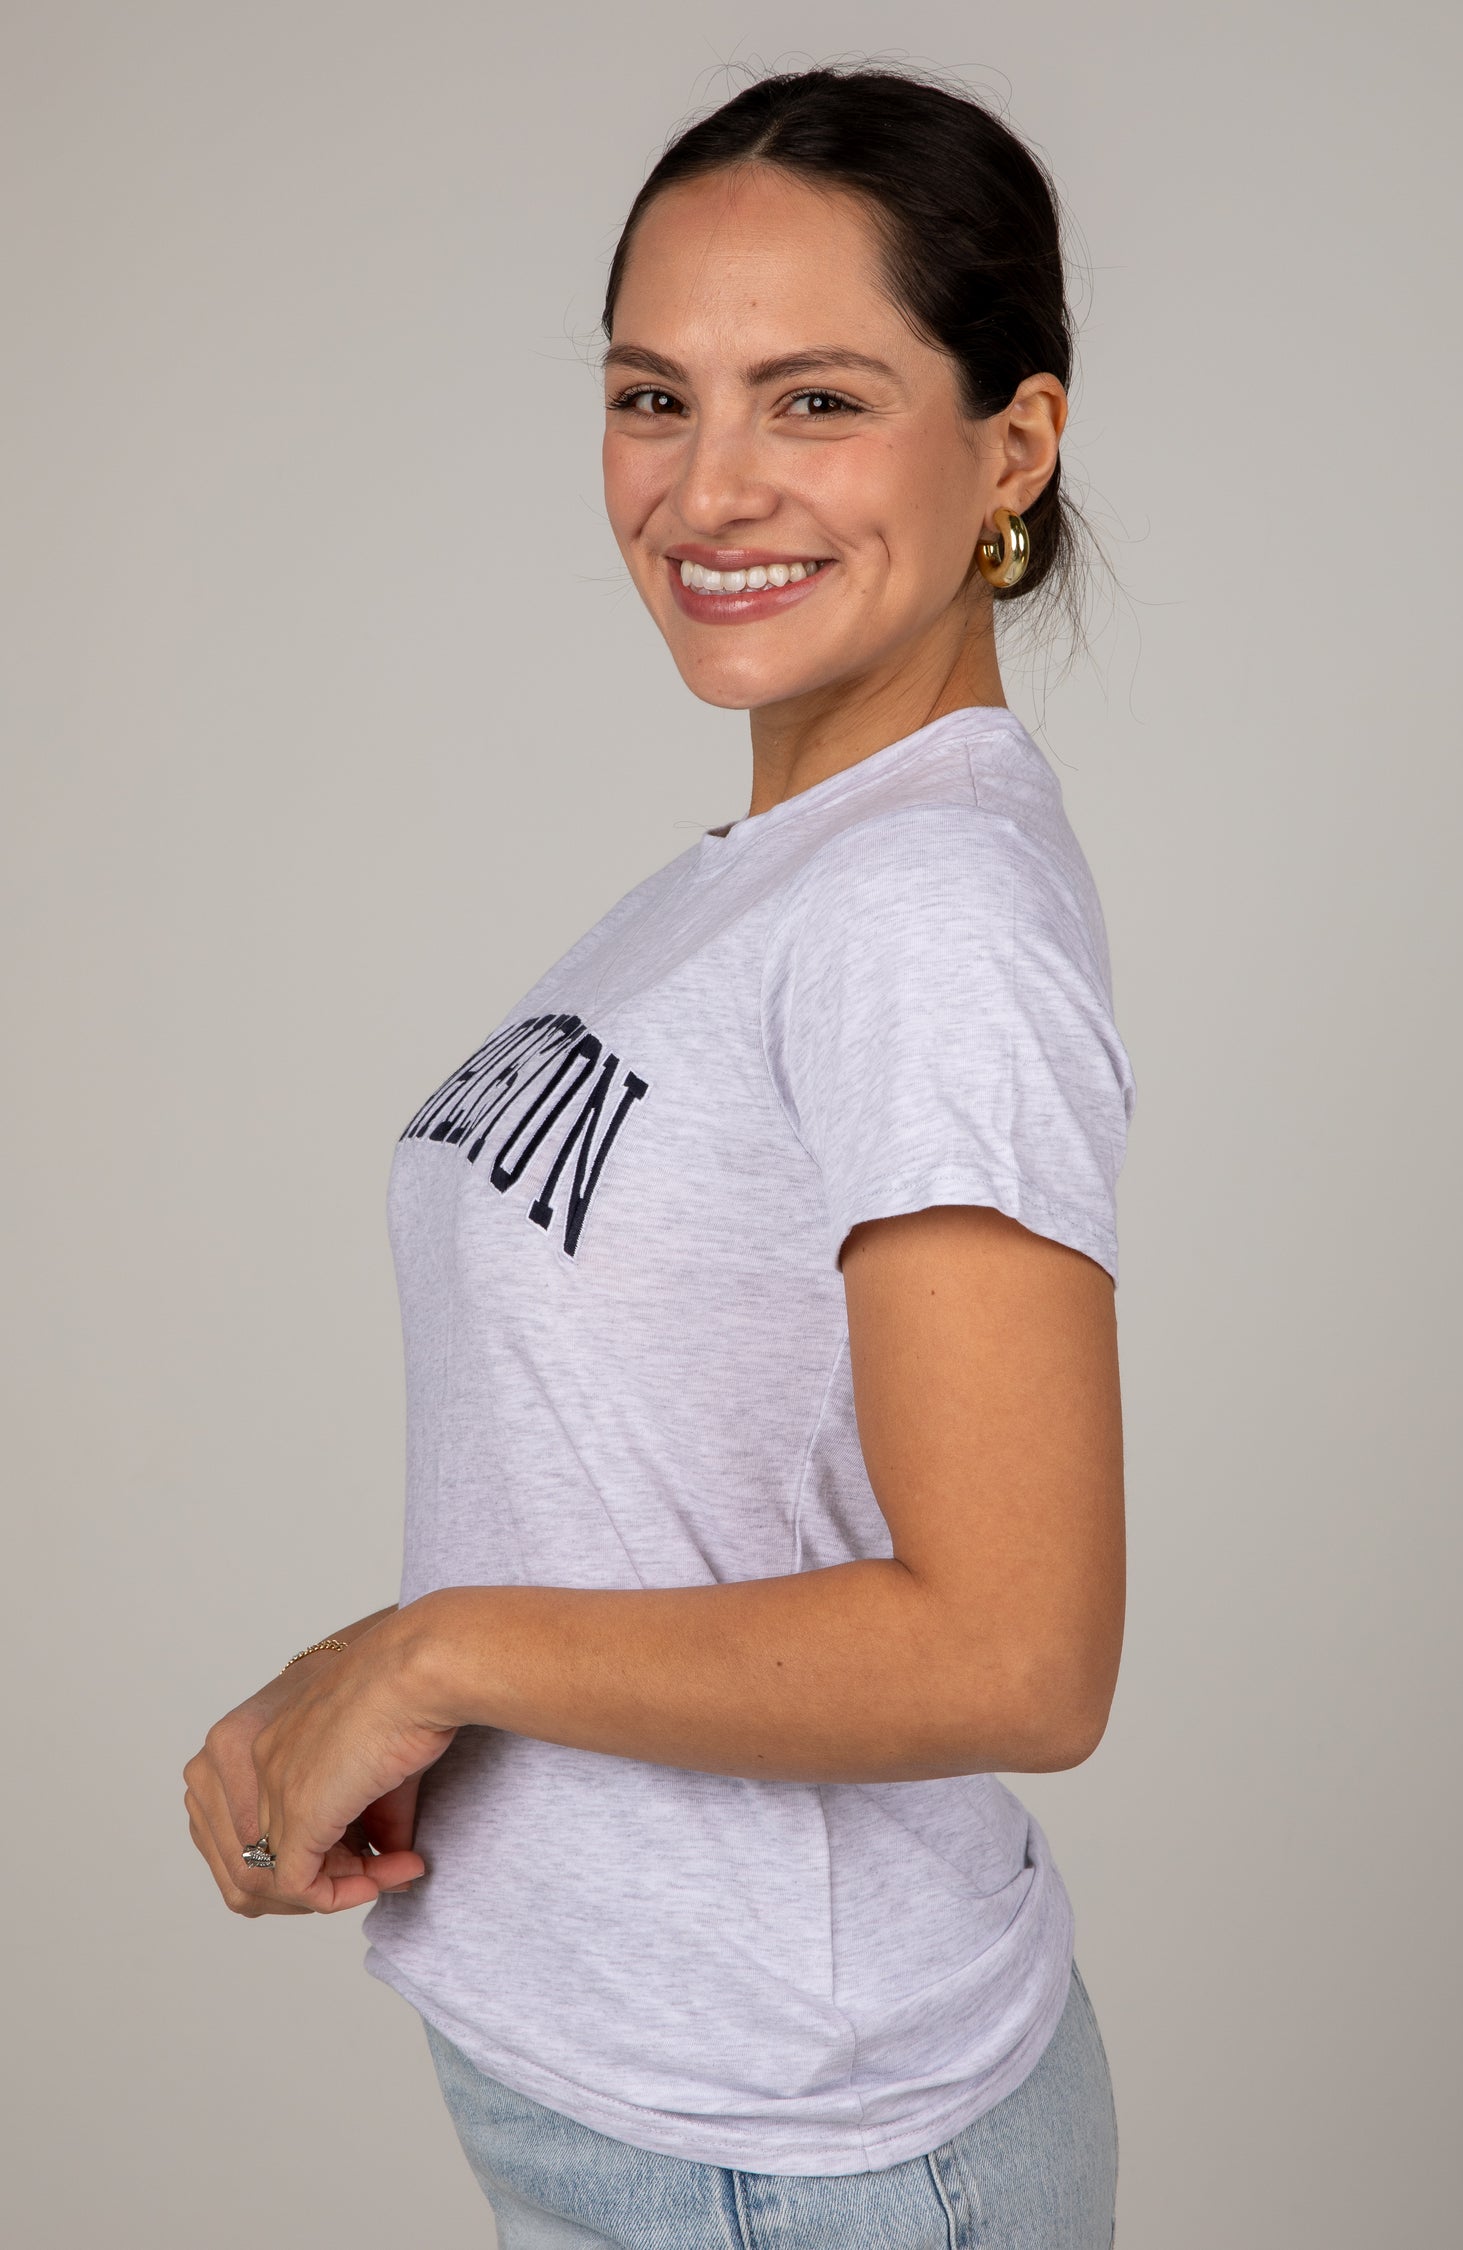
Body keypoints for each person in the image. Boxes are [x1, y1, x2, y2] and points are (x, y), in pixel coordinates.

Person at [183, 61, 1136, 2250]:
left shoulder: (927, 913)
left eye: (816, 401)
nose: (709, 488)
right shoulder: (776, 874)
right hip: (653, 2104)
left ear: (1012, 445)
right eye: (651, 396)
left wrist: (424, 1657)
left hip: (797, 2152)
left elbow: (1016, 1651)